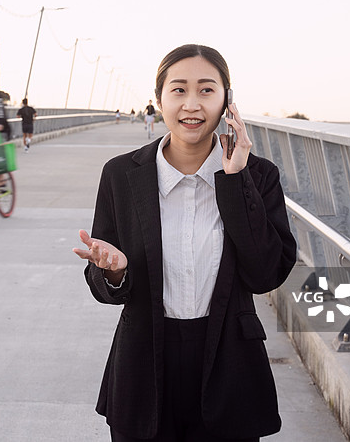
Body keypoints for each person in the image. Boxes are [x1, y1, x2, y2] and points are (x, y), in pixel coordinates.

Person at [73, 44, 297, 441]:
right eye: (178, 90)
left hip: (230, 363)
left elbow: (265, 273)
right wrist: (114, 272)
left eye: (207, 90)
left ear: (227, 100)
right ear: (159, 99)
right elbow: (102, 285)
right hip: (144, 364)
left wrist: (234, 179)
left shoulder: (257, 176)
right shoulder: (122, 175)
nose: (192, 104)